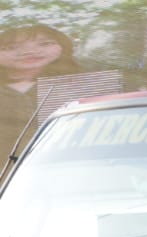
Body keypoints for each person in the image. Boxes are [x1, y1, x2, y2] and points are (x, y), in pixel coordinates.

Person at [0, 23, 107, 160]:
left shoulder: (89, 86)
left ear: (64, 46)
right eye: (10, 47)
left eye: (44, 44)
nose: (29, 51)